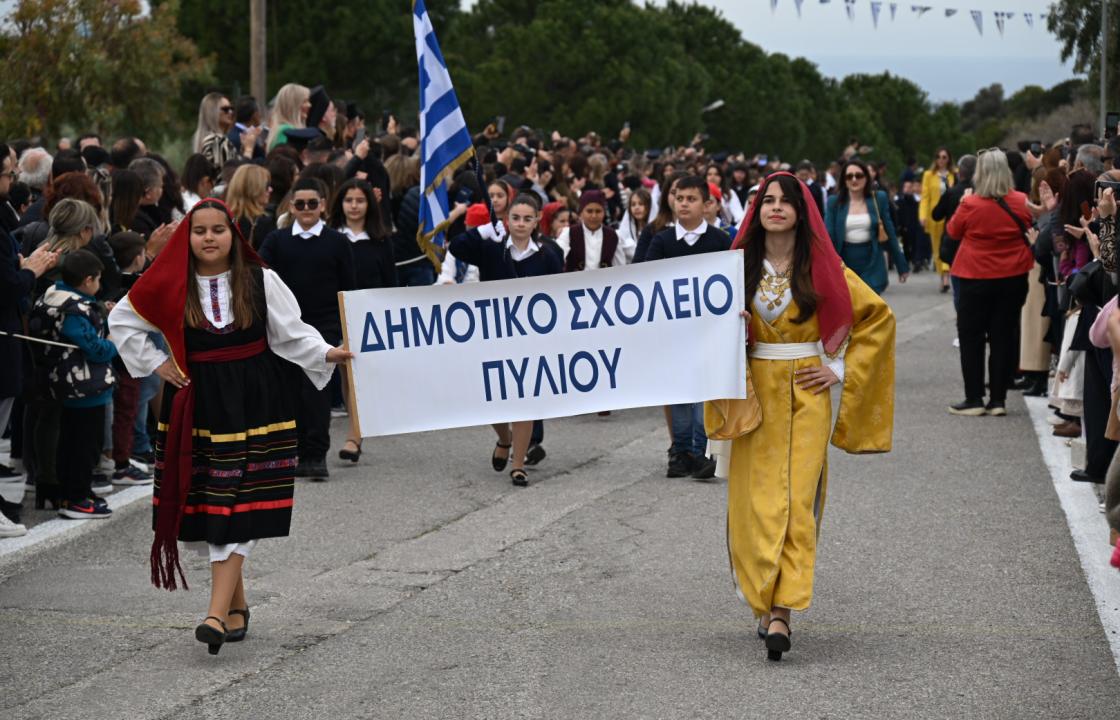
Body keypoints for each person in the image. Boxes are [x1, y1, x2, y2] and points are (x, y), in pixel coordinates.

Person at [109, 197, 349, 655]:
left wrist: (325, 354)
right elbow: (121, 319)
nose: (209, 238)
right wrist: (158, 363)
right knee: (212, 506)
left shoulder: (260, 279)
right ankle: (236, 606)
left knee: (242, 504)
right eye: (200, 231)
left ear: (233, 234)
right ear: (188, 236)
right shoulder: (170, 281)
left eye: (218, 230)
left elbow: (290, 333)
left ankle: (216, 614)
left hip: (258, 400)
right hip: (198, 404)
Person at [726, 171, 895, 661]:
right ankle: (762, 598)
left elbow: (876, 317)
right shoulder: (734, 269)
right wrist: (726, 328)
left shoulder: (823, 266)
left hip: (805, 394)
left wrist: (837, 367)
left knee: (798, 501)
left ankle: (782, 610)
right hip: (753, 393)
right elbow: (698, 321)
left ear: (803, 210)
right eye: (767, 200)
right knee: (758, 503)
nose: (775, 207)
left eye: (786, 201)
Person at [448, 193, 563, 486]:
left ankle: (519, 462)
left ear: (537, 221)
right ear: (506, 220)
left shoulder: (548, 254)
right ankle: (504, 438)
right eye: (515, 218)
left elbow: (559, 294)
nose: (521, 224)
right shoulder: (492, 249)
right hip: (494, 334)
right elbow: (458, 247)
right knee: (491, 398)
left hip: (531, 336)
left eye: (527, 219)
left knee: (524, 399)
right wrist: (483, 230)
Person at [259, 178, 356, 480]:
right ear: (291, 206)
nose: (306, 210)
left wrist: (346, 327)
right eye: (299, 204)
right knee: (288, 391)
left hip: (324, 325)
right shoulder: (276, 240)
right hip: (284, 326)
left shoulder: (338, 243)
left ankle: (316, 454)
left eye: (312, 203)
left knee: (317, 390)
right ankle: (293, 451)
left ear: (323, 205)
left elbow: (349, 287)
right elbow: (260, 278)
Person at [644, 176, 732, 479]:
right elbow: (648, 281)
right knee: (679, 392)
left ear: (706, 204)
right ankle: (679, 451)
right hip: (673, 332)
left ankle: (700, 450)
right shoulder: (663, 240)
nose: (684, 204)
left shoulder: (720, 240)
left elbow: (732, 282)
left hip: (709, 331)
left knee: (703, 392)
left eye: (691, 199)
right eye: (679, 198)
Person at [946, 149, 1035, 416]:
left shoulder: (970, 203)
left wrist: (964, 201)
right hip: (1013, 275)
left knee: (971, 336)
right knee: (1003, 336)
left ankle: (974, 398)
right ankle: (998, 400)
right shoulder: (1021, 201)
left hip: (975, 275)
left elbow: (953, 231)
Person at [30, 249, 117, 519]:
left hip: (62, 383)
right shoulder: (76, 310)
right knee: (83, 446)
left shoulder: (52, 295)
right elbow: (94, 348)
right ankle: (76, 497)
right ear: (88, 280)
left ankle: (72, 491)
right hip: (84, 387)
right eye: (99, 279)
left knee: (69, 441)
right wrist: (112, 343)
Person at [329, 177, 396, 464]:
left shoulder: (381, 241)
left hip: (371, 316)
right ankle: (354, 435)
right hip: (337, 314)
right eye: (348, 200)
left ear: (370, 204)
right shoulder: (331, 237)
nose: (354, 206)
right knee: (347, 372)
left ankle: (358, 431)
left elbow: (390, 282)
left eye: (359, 200)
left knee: (362, 376)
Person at [824, 159, 909, 294]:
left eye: (859, 175)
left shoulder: (878, 198)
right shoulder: (834, 202)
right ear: (843, 180)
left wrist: (901, 264)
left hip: (872, 261)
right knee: (849, 310)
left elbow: (890, 232)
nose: (854, 179)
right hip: (844, 263)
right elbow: (828, 236)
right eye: (849, 176)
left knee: (871, 309)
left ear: (866, 177)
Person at [556, 189, 633, 270]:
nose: (594, 216)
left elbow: (619, 267)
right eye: (589, 211)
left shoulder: (613, 236)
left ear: (604, 212)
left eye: (598, 211)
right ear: (581, 212)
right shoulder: (569, 233)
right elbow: (557, 258)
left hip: (604, 281)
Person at [919, 147, 957, 293]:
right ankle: (943, 276)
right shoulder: (929, 175)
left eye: (944, 157)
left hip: (951, 216)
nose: (941, 160)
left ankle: (947, 275)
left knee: (949, 244)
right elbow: (925, 197)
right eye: (938, 157)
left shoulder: (956, 174)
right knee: (937, 248)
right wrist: (922, 215)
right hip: (935, 216)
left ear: (949, 159)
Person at [192, 93, 258, 173]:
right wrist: (249, 149)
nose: (230, 112)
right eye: (225, 109)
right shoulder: (216, 140)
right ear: (213, 112)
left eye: (232, 108)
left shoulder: (207, 139)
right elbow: (233, 174)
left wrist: (242, 149)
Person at [225, 164, 275, 249]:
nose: (270, 189)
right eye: (266, 186)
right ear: (254, 190)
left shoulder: (224, 218)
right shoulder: (265, 223)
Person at [267, 83, 311, 151]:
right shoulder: (286, 131)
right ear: (293, 106)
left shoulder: (283, 129)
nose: (309, 105)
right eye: (305, 101)